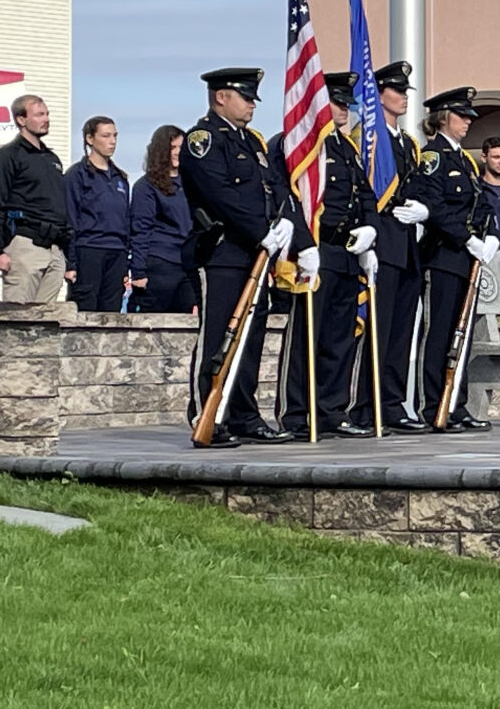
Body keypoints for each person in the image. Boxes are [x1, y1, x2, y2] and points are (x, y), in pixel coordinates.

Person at [180, 67, 316, 447]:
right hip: (222, 252)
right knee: (219, 336)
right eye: (245, 97)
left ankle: (243, 414)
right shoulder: (204, 139)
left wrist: (299, 240)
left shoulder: (253, 142)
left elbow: (278, 190)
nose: (252, 105)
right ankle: (208, 413)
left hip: (258, 255)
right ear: (221, 97)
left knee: (250, 339)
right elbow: (220, 195)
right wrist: (262, 232)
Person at [272, 70, 379, 440]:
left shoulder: (346, 147)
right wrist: (303, 244)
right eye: (337, 103)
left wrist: (371, 229)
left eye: (348, 104)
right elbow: (288, 198)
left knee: (339, 338)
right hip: (315, 249)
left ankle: (332, 410)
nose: (344, 110)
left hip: (345, 253)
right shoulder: (300, 143)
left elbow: (365, 195)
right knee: (307, 336)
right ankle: (297, 414)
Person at [412, 86, 499, 432]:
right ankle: (432, 404)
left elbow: (484, 204)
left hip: (467, 260)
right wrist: (467, 240)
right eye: (462, 116)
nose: (467, 122)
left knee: (461, 336)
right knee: (439, 334)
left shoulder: (465, 161)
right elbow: (435, 208)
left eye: (469, 117)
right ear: (443, 117)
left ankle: (455, 403)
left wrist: (492, 235)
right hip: (443, 257)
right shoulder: (433, 156)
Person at [349, 60, 429, 434]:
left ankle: (393, 403)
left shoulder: (408, 144)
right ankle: (366, 404)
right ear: (379, 94)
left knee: (400, 332)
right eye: (397, 92)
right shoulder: (368, 138)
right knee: (377, 330)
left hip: (407, 246)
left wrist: (422, 210)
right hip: (382, 242)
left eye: (405, 92)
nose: (404, 98)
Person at [0, 94, 73, 303]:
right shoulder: (8, 155)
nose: (46, 119)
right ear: (21, 120)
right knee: (17, 320)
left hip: (55, 248)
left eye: (47, 114)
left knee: (46, 323)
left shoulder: (51, 159)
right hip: (25, 244)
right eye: (39, 115)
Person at [64, 116, 133, 312]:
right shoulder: (77, 175)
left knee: (111, 312)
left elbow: (125, 219)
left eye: (114, 136)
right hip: (88, 249)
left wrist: (126, 258)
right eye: (105, 135)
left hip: (117, 252)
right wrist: (71, 263)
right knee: (85, 309)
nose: (112, 141)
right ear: (90, 139)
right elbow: (70, 218)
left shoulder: (121, 178)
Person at [128, 125, 197, 313]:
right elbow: (140, 230)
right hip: (160, 263)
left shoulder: (192, 182)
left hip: (187, 264)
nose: (177, 153)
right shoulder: (146, 187)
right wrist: (138, 271)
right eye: (172, 148)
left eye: (181, 148)